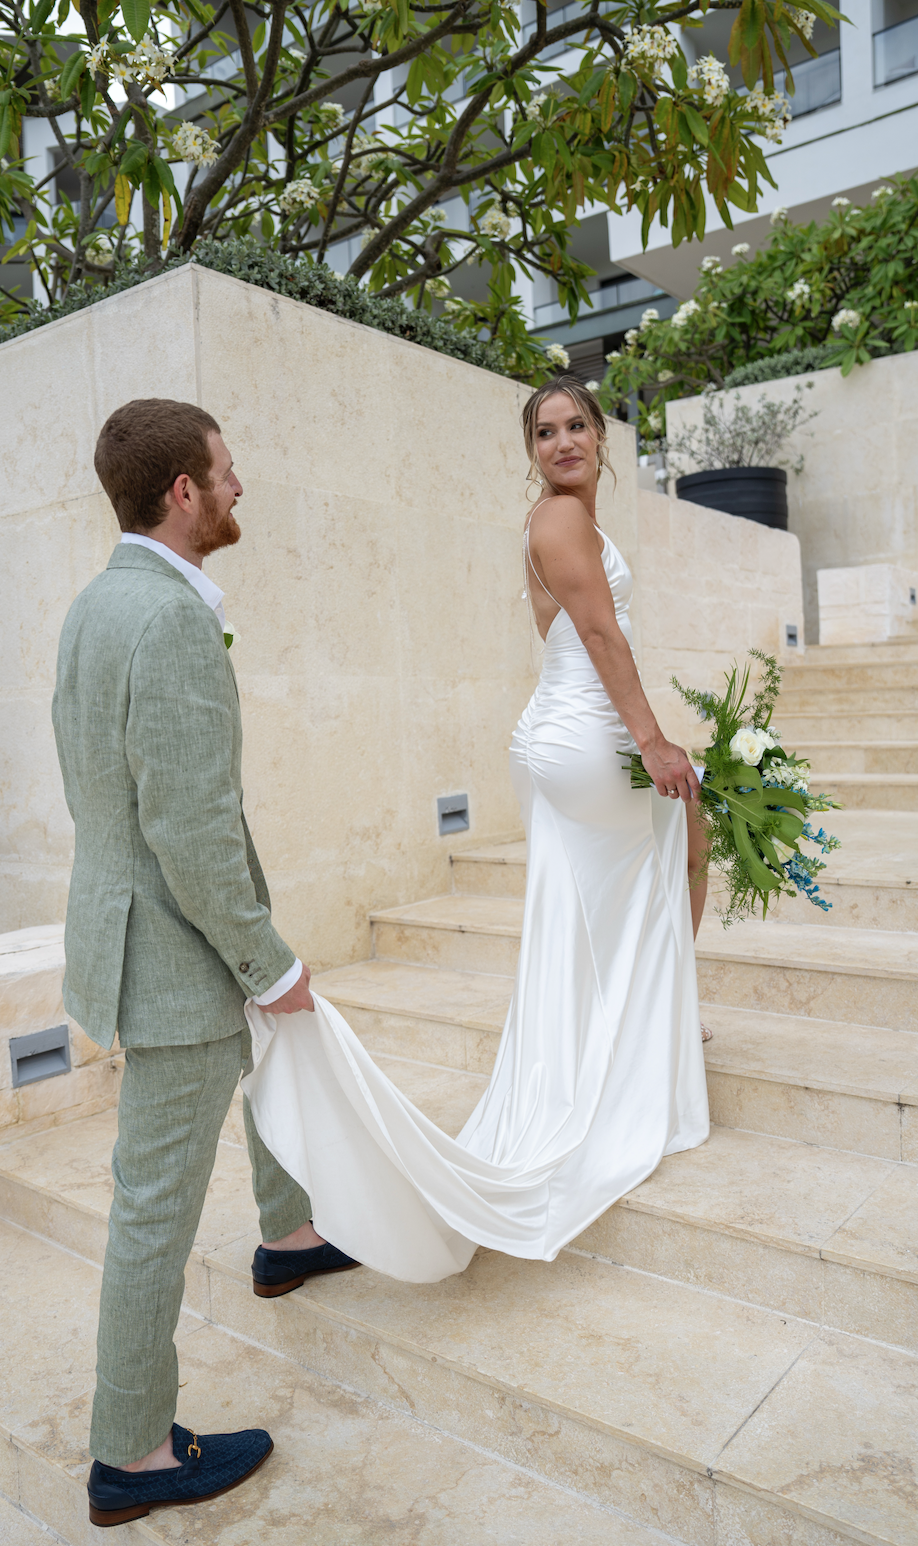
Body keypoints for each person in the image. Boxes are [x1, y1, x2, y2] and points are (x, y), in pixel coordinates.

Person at [240, 376, 710, 1280]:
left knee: (636, 882)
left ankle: (635, 1043)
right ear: (530, 450)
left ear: (602, 438)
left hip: (562, 734)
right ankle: (637, 1061)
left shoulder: (562, 520)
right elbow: (602, 636)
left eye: (576, 426)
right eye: (545, 432)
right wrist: (650, 739)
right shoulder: (560, 521)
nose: (563, 442)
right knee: (669, 856)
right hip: (586, 737)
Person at [52, 399, 358, 1530]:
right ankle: (129, 1450)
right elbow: (186, 825)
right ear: (181, 490)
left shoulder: (96, 605)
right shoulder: (168, 620)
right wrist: (263, 957)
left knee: (265, 1069)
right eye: (227, 472)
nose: (240, 487)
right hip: (173, 957)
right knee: (153, 1208)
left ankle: (287, 1235)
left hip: (134, 931)